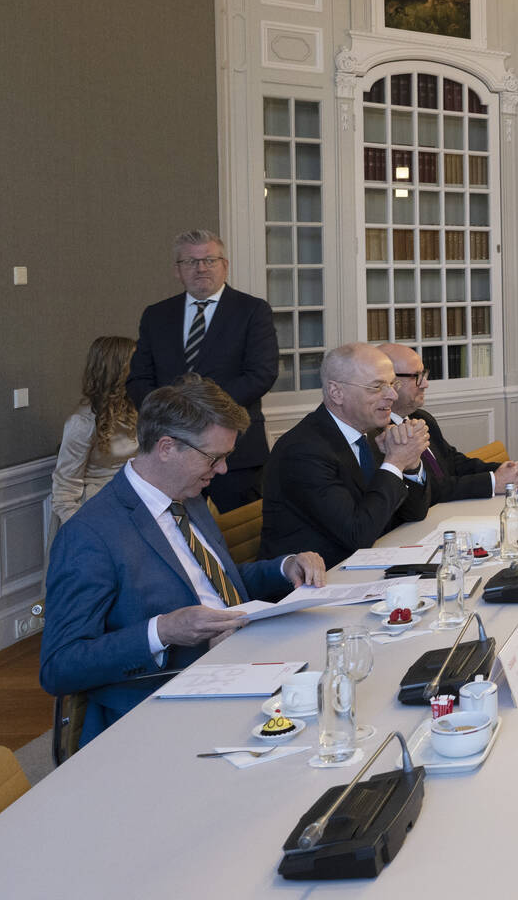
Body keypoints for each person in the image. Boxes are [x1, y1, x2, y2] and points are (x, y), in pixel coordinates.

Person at [40, 378, 326, 743]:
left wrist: (283, 567)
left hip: (241, 665)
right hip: (162, 708)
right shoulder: (90, 534)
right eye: (214, 458)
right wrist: (162, 631)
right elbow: (59, 667)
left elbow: (212, 584)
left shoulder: (188, 496)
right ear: (166, 447)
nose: (222, 470)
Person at [127, 230, 279, 511]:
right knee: (174, 538)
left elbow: (262, 374)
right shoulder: (156, 315)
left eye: (209, 260)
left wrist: (202, 410)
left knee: (242, 540)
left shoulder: (252, 311)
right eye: (190, 262)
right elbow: (138, 379)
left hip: (236, 454)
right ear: (177, 270)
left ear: (225, 265)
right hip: (170, 452)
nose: (201, 268)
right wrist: (169, 415)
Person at [260, 342, 432, 567]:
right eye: (377, 386)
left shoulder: (370, 433)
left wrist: (410, 461)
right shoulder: (303, 451)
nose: (392, 395)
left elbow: (415, 512)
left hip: (364, 566)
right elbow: (358, 534)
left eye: (392, 383)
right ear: (336, 392)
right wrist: (394, 462)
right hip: (313, 584)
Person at [379, 342, 518, 509]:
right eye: (417, 376)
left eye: (424, 374)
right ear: (390, 382)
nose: (425, 384)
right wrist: (493, 481)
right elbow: (430, 489)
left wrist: (505, 469)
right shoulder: (380, 436)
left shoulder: (422, 418)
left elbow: (454, 462)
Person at [52, 336, 138, 524]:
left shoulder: (136, 409)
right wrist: (83, 531)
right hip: (100, 509)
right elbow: (64, 493)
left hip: (136, 502)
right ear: (118, 371)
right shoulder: (82, 423)